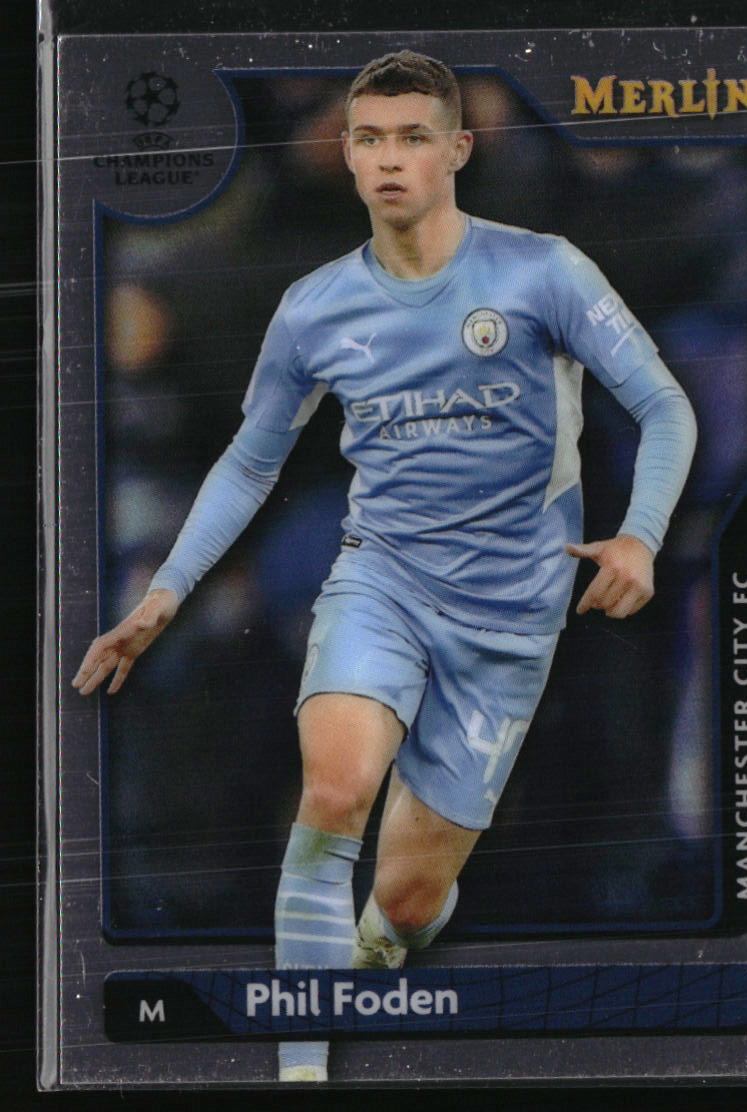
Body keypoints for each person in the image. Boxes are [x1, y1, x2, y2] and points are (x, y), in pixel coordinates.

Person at [73, 51, 697, 1081]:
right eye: (369, 138)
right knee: (335, 789)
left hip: (509, 600)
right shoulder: (311, 299)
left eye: (413, 137)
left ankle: (392, 939)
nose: (388, 159)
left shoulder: (545, 267)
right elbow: (248, 462)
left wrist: (639, 533)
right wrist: (165, 592)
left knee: (407, 895)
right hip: (376, 577)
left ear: (459, 148)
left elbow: (664, 403)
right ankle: (302, 1061)